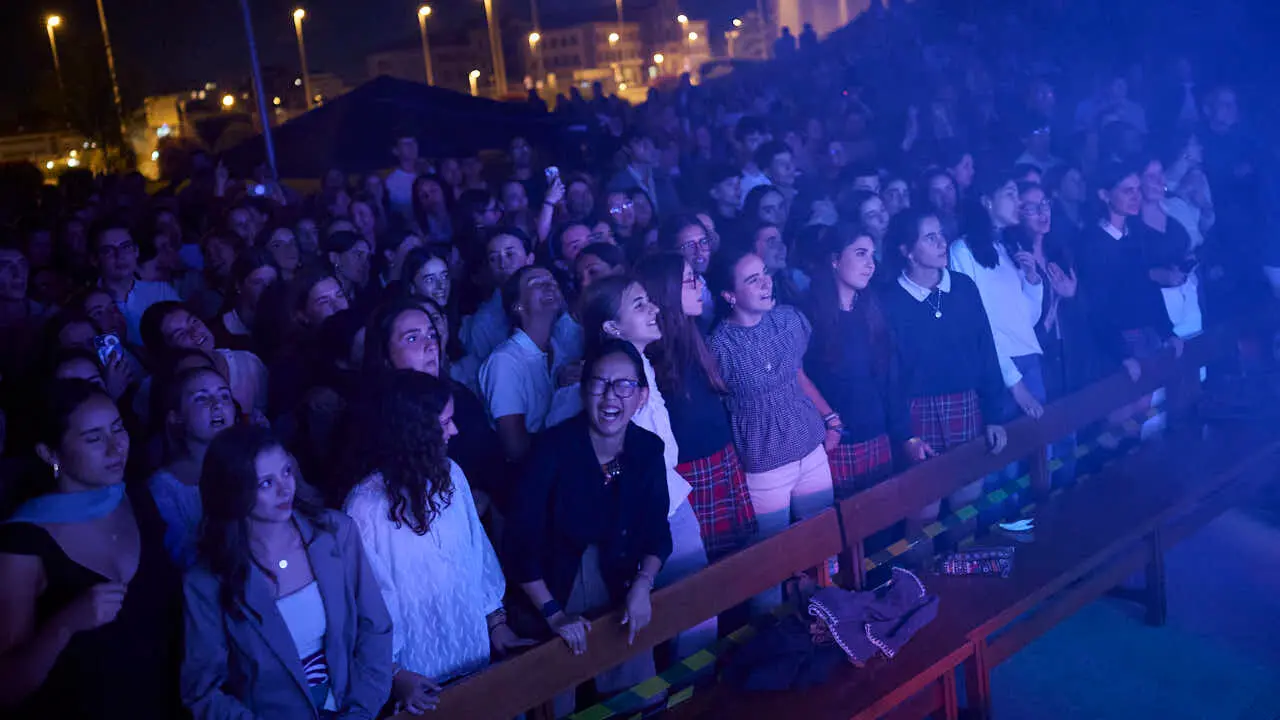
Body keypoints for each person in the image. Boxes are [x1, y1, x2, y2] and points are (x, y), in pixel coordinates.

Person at [504, 340, 672, 717]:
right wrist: (553, 614)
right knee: (557, 701)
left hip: (619, 581)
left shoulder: (646, 450)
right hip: (551, 589)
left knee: (641, 697)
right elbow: (519, 544)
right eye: (599, 383)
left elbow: (657, 532)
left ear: (642, 396)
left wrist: (644, 584)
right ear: (583, 391)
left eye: (624, 385)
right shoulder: (551, 450)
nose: (610, 396)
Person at [343, 371, 529, 705]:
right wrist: (395, 675)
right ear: (414, 430)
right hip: (417, 679)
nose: (454, 430)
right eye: (444, 422)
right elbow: (366, 601)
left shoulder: (452, 474)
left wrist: (496, 623)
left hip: (474, 652)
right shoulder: (364, 507)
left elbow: (477, 553)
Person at [181, 425, 393, 718]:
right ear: (233, 491)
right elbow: (203, 692)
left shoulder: (336, 533)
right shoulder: (206, 582)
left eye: (286, 472)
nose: (285, 489)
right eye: (266, 483)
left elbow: (376, 628)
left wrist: (360, 711)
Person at [0, 380, 180, 718]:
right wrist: (65, 624)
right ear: (50, 454)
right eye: (94, 438)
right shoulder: (23, 541)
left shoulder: (137, 499)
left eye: (118, 428)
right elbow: (6, 686)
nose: (116, 448)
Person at [707, 247, 836, 611]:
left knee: (824, 546)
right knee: (768, 565)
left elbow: (799, 374)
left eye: (765, 273)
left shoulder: (789, 320)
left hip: (809, 445)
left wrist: (830, 419)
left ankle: (831, 621)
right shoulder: (719, 346)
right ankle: (771, 635)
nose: (766, 283)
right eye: (753, 280)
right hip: (764, 463)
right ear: (729, 295)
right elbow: (720, 401)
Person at [881, 209, 1008, 548]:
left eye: (941, 234)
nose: (942, 243)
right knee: (923, 513)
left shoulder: (963, 287)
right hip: (917, 414)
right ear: (907, 251)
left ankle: (964, 573)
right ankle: (921, 579)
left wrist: (995, 415)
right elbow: (890, 376)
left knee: (966, 506)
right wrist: (904, 434)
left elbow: (986, 350)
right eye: (930, 237)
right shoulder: (889, 300)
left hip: (965, 405)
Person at [635, 253, 756, 560]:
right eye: (690, 281)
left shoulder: (695, 333)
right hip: (690, 470)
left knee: (742, 557)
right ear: (667, 292)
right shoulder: (652, 355)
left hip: (722, 456)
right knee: (711, 568)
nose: (700, 286)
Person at [805, 225, 931, 499]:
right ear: (835, 259)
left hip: (877, 436)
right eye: (861, 254)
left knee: (885, 520)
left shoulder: (874, 310)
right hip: (832, 443)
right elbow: (800, 381)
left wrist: (905, 435)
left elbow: (890, 379)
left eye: (872, 255)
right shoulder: (808, 316)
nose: (870, 264)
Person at [949, 174, 1047, 421]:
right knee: (1011, 442)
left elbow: (1027, 320)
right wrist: (1015, 383)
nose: (1019, 202)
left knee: (1046, 440)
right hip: (999, 366)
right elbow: (976, 323)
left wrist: (1032, 279)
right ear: (987, 201)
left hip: (1028, 357)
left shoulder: (1008, 246)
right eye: (1010, 194)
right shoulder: (962, 250)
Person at [479, 265, 574, 465]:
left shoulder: (560, 351)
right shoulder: (505, 361)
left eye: (552, 281)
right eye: (536, 283)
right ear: (518, 306)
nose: (549, 286)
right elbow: (515, 448)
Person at [148, 366, 236, 567]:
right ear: (176, 416)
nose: (217, 405)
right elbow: (184, 558)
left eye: (224, 396)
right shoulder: (164, 489)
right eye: (201, 398)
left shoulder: (257, 460)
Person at [462, 227, 583, 365]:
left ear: (529, 259)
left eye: (510, 254)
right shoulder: (483, 321)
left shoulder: (551, 297)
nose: (503, 264)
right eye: (493, 258)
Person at [140, 302, 269, 421]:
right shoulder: (154, 390)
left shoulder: (248, 363)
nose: (195, 332)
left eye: (194, 322)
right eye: (181, 334)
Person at [90, 218, 181, 345]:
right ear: (94, 259)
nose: (120, 256)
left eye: (125, 247)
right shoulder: (90, 305)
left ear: (136, 251)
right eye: (108, 251)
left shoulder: (161, 292)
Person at [211, 247, 277, 352]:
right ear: (238, 285)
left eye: (272, 282)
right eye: (257, 282)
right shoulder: (217, 332)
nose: (266, 288)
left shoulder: (284, 325)